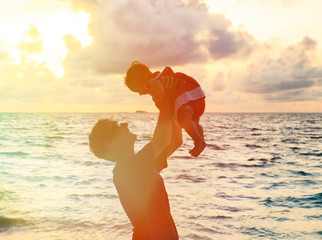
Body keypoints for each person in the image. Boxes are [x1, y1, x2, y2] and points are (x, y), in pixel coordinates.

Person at [88, 77, 181, 239]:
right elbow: (162, 140)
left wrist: (174, 106)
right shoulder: (125, 169)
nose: (124, 125)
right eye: (117, 127)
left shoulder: (140, 167)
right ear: (111, 144)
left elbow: (175, 141)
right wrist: (166, 100)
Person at [124, 61, 206, 157]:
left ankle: (197, 139)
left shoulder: (153, 82)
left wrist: (160, 102)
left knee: (184, 120)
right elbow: (177, 141)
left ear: (143, 78)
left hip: (185, 98)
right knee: (194, 123)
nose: (140, 94)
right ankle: (201, 140)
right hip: (195, 98)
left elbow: (161, 95)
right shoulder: (159, 77)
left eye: (138, 90)